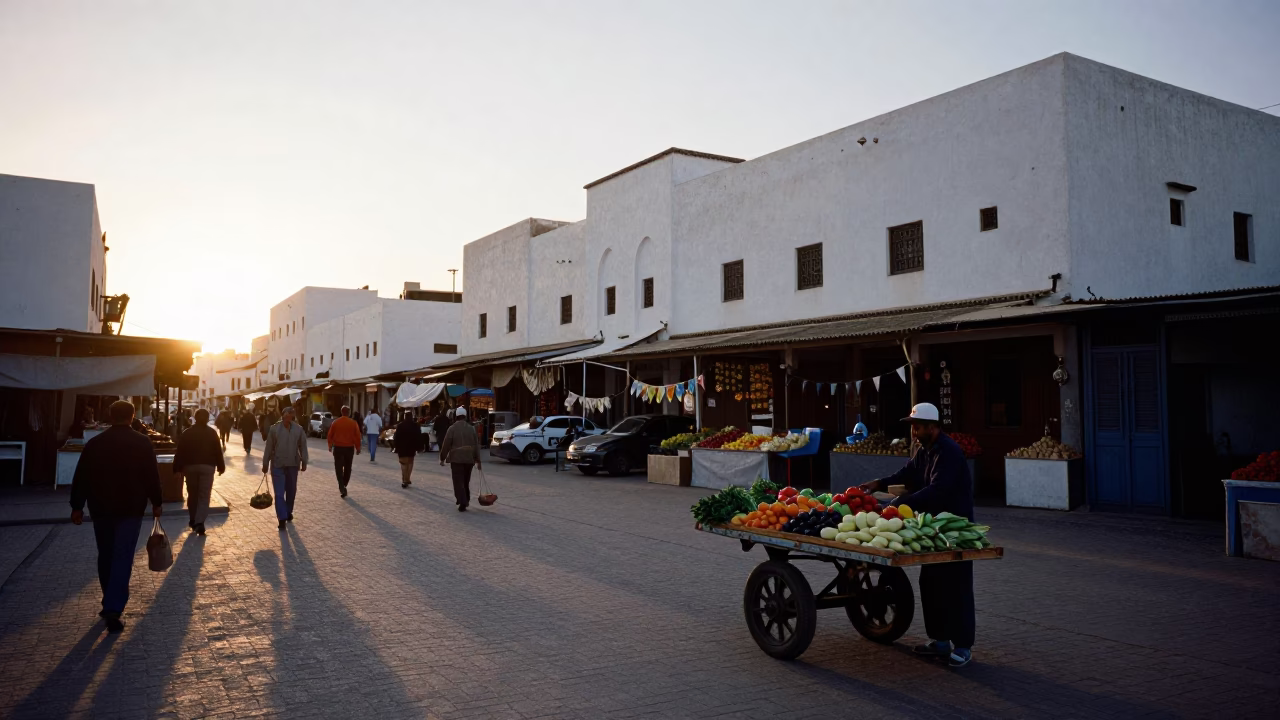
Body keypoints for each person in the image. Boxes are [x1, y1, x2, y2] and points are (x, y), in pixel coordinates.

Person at [860, 402, 976, 668]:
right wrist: (878, 483)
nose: (914, 432)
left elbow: (939, 491)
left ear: (933, 427)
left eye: (918, 427)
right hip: (933, 526)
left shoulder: (949, 452)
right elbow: (907, 473)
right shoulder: (924, 450)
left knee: (956, 585)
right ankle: (940, 640)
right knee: (931, 582)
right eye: (912, 427)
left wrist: (902, 505)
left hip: (955, 527)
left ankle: (963, 645)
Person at [69, 400, 163, 633]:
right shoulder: (142, 442)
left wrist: (77, 506)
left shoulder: (95, 443)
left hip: (100, 508)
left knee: (106, 555)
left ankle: (108, 600)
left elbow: (81, 476)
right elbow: (152, 474)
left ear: (111, 417)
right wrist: (157, 502)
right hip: (131, 508)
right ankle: (113, 606)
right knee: (122, 556)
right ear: (132, 417)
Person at [172, 408, 225, 536]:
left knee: (193, 494)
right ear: (207, 418)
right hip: (207, 467)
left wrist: (177, 468)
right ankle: (199, 522)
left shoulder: (187, 433)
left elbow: (180, 452)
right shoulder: (212, 433)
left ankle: (192, 519)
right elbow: (218, 451)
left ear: (195, 418)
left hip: (190, 467)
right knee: (204, 495)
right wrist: (221, 466)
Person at [263, 406, 308, 530]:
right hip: (278, 465)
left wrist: (304, 461)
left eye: (291, 415)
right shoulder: (274, 429)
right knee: (278, 493)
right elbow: (268, 447)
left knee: (291, 491)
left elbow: (303, 446)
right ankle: (281, 518)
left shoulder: (299, 430)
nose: (289, 417)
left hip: (293, 465)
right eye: (287, 414)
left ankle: (288, 511)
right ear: (282, 415)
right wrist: (265, 463)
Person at [439, 407, 482, 511]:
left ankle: (463, 501)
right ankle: (466, 498)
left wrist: (442, 457)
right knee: (466, 481)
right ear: (465, 416)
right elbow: (476, 445)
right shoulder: (471, 428)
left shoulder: (452, 428)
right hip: (469, 459)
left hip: (456, 459)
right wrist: (478, 460)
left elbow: (446, 444)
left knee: (458, 481)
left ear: (456, 416)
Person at [326, 406, 362, 498]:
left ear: (341, 412)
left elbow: (330, 435)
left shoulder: (336, 422)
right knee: (348, 468)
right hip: (349, 448)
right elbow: (357, 436)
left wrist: (330, 445)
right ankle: (344, 484)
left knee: (338, 468)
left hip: (338, 448)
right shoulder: (353, 423)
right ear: (349, 413)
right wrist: (358, 448)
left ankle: (341, 486)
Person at [393, 413, 421, 489]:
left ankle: (404, 479)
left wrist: (395, 446)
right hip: (412, 447)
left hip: (402, 448)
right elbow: (419, 437)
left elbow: (396, 437)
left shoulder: (400, 426)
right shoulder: (415, 426)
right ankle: (407, 478)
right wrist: (419, 447)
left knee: (403, 463)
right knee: (410, 462)